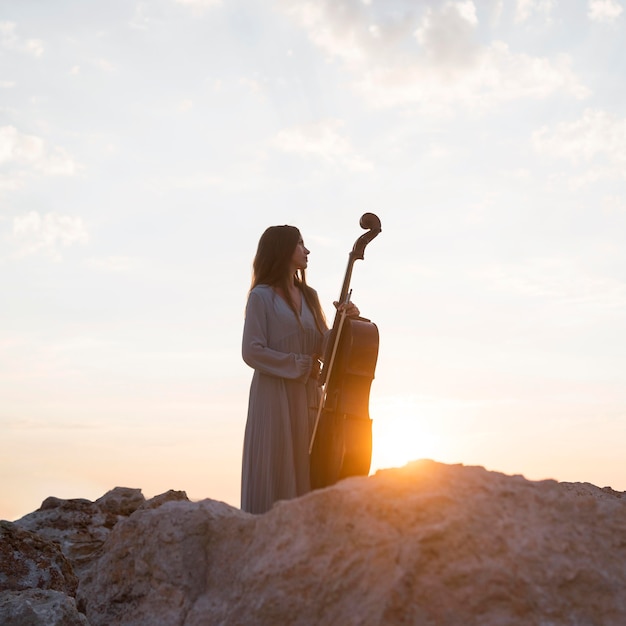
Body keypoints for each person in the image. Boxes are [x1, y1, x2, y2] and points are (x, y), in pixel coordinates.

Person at [241, 225, 359, 514]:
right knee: (276, 467)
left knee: (307, 470)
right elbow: (252, 351)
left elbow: (324, 346)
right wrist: (299, 365)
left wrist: (347, 322)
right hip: (274, 397)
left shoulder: (310, 296)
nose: (306, 250)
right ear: (282, 250)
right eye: (300, 244)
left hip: (307, 398)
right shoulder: (261, 297)